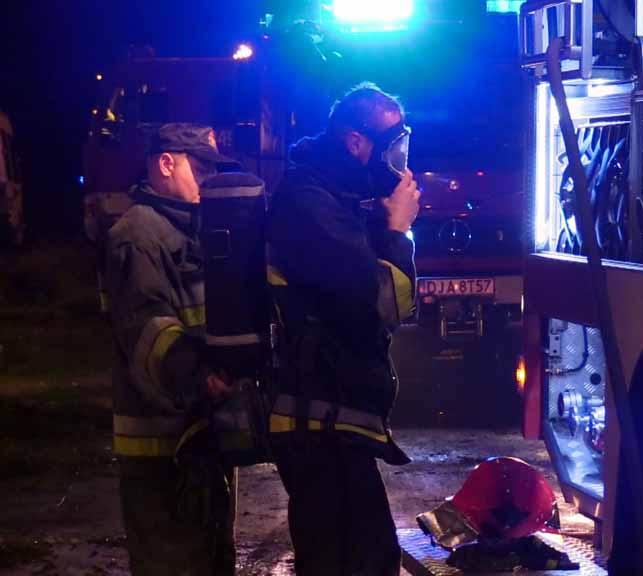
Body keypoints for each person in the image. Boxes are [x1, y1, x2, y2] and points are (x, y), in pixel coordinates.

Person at [266, 83, 420, 575]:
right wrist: (396, 232)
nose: (399, 164)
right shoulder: (309, 202)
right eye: (392, 148)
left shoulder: (336, 197)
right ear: (356, 142)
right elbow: (385, 301)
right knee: (350, 560)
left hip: (335, 418)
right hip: (316, 421)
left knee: (363, 556)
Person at [104, 123, 237, 575]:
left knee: (210, 556)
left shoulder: (188, 230)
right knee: (171, 562)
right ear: (166, 164)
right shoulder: (137, 234)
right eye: (200, 170)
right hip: (160, 446)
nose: (208, 182)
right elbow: (147, 328)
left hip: (199, 434)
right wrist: (201, 375)